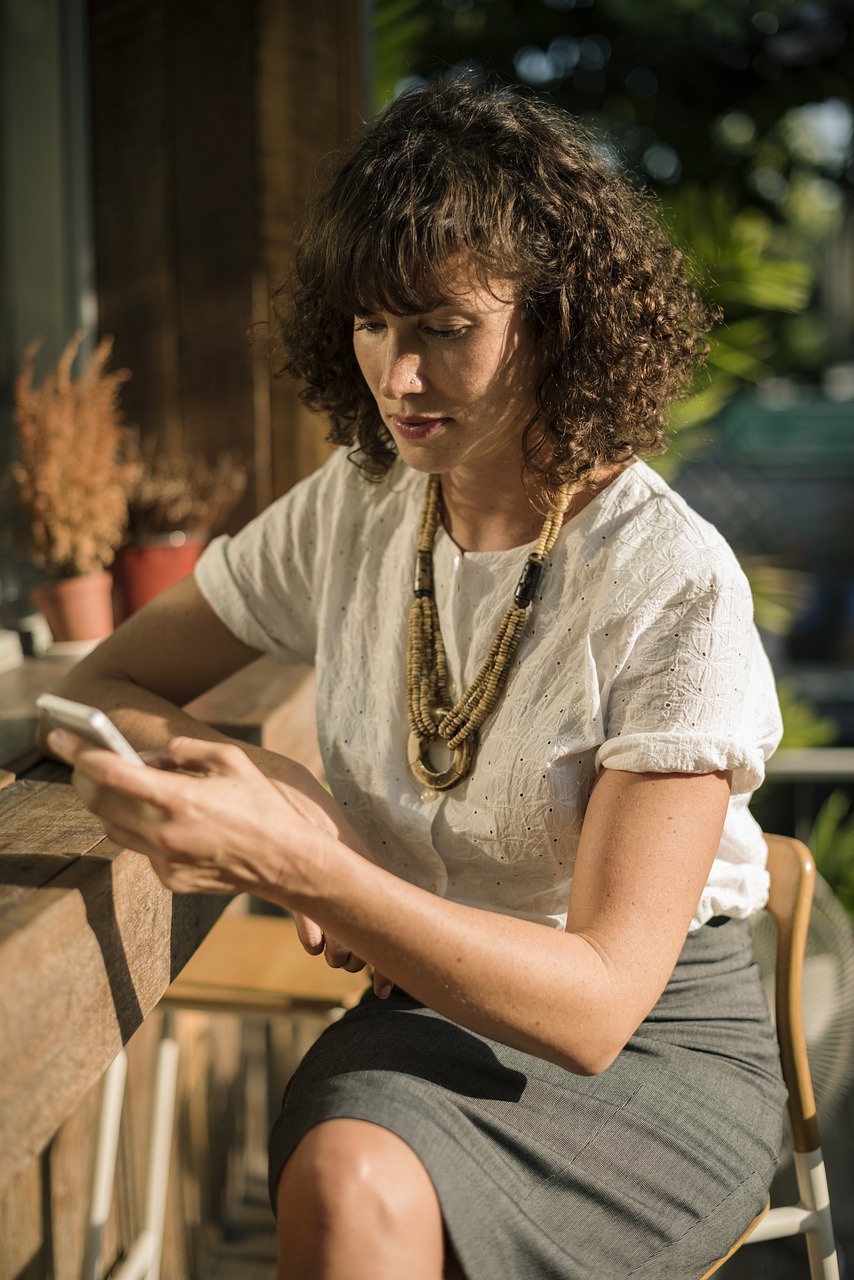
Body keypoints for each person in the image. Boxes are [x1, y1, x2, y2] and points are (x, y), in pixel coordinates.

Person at [48, 81, 787, 1280]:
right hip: (431, 1013)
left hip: (650, 1052)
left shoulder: (669, 581)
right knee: (346, 1175)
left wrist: (310, 868)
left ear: (553, 320)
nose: (399, 375)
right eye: (372, 325)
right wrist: (270, 776)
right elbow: (105, 679)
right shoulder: (359, 505)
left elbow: (596, 1007)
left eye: (444, 327)